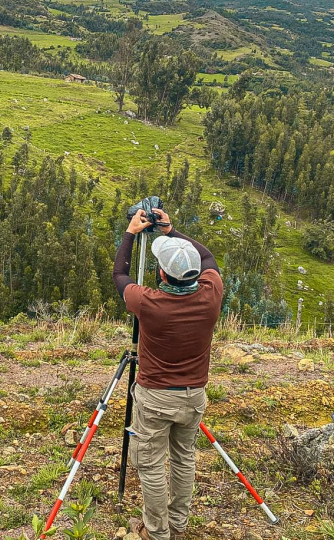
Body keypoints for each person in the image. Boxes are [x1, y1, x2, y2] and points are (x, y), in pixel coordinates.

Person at [112, 207, 222, 540]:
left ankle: (157, 532)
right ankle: (178, 524)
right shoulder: (211, 292)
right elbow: (209, 258)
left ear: (162, 274)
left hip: (156, 398)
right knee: (184, 459)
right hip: (193, 396)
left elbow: (120, 275)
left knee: (151, 465)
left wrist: (131, 233)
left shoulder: (149, 304)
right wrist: (171, 230)